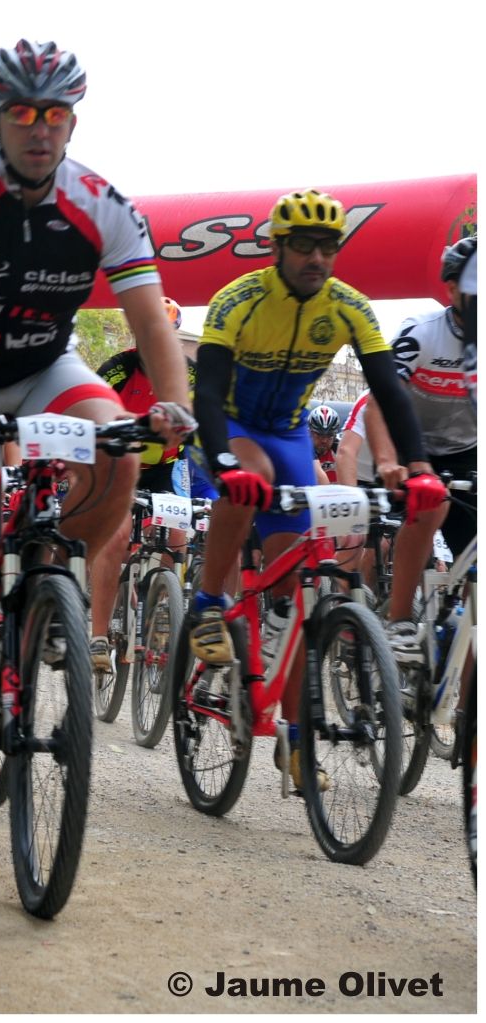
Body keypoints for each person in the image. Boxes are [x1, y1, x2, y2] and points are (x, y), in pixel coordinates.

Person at [0, 39, 193, 826]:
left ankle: (54, 575)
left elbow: (149, 317)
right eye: (22, 112)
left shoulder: (101, 202)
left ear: (72, 122)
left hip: (43, 365)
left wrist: (175, 405)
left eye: (53, 114)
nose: (38, 128)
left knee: (117, 442)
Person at [188, 188, 444, 791]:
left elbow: (387, 387)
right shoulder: (239, 300)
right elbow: (207, 388)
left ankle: (298, 744)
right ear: (278, 247)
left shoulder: (350, 306)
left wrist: (418, 465)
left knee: (300, 596)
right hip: (233, 428)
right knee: (250, 483)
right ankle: (207, 604)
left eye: (327, 247)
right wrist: (223, 459)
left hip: (291, 435)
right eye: (303, 246)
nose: (316, 258)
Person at [360, 235, 477, 663]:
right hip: (409, 448)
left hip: (465, 451)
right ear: (451, 289)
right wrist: (390, 462)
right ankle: (399, 621)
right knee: (430, 505)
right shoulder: (422, 332)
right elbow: (378, 405)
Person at [88, 298, 198, 669]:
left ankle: (159, 610)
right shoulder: (117, 370)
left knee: (180, 535)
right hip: (118, 468)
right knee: (117, 538)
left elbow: (206, 420)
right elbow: (89, 412)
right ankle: (100, 637)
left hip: (161, 472)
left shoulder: (190, 373)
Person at [306, 403, 341, 482]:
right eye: (319, 435)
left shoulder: (339, 450)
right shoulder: (304, 451)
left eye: (329, 435)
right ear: (309, 432)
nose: (324, 440)